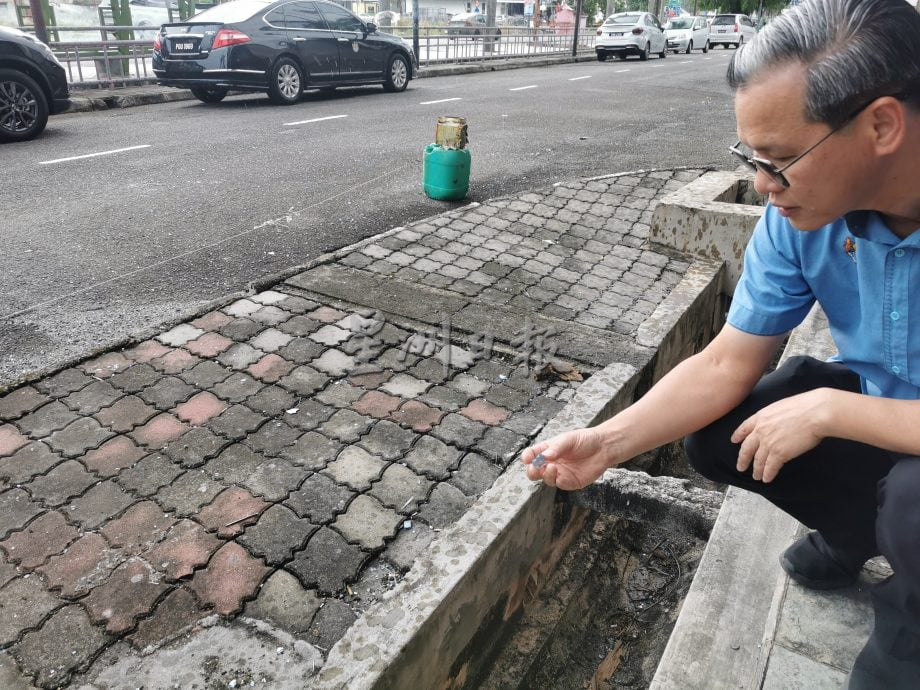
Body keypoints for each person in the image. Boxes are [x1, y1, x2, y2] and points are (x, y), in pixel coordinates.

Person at [521, 0, 920, 687]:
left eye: (783, 160)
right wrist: (609, 443)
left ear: (881, 124)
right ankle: (863, 531)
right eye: (752, 160)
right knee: (719, 435)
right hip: (886, 400)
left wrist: (829, 412)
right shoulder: (800, 217)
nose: (765, 187)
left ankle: (907, 618)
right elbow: (728, 361)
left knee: (913, 505)